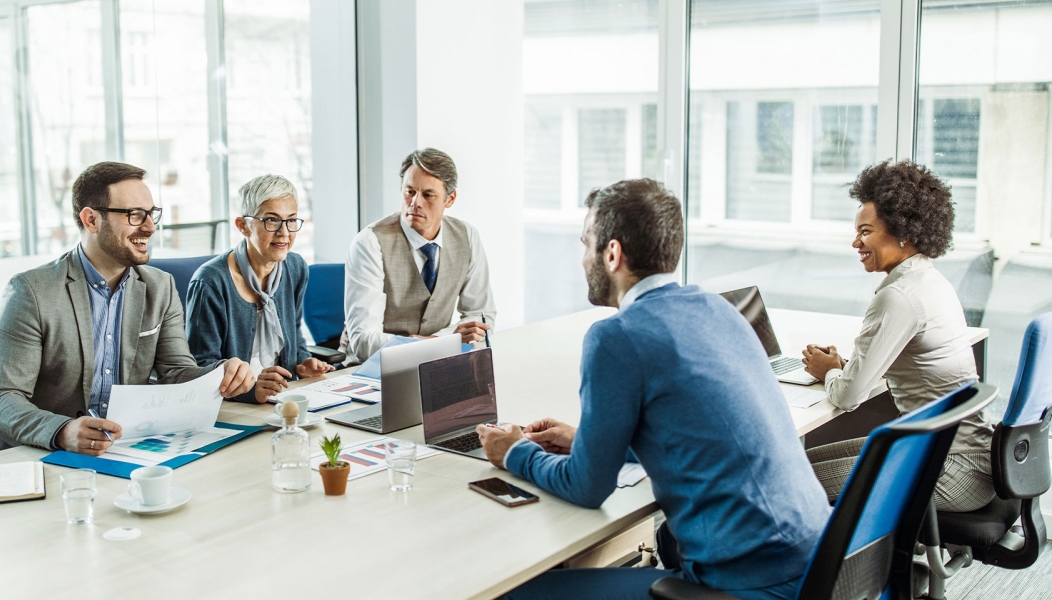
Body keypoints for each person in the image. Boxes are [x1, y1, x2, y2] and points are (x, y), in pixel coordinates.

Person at [476, 179, 830, 600]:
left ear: (612, 253)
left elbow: (587, 489)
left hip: (750, 581)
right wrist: (585, 440)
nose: (582, 257)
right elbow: (692, 430)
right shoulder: (718, 308)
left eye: (586, 243)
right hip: (820, 559)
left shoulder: (616, 336)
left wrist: (514, 452)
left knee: (514, 592)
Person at [0, 161, 257, 457]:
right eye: (135, 215)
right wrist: (61, 431)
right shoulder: (31, 292)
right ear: (91, 220)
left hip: (122, 447)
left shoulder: (159, 287)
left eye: (151, 214)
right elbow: (2, 399)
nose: (149, 227)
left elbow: (176, 372)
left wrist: (219, 373)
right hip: (35, 453)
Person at [801, 160, 994, 512]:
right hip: (961, 455)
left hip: (951, 469)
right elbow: (909, 364)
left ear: (902, 231)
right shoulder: (928, 279)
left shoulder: (899, 296)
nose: (855, 242)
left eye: (865, 231)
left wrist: (827, 372)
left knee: (789, 480)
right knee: (798, 464)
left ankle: (828, 566)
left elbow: (847, 397)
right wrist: (843, 364)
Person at [186, 174, 334, 404]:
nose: (284, 232)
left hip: (283, 397)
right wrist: (251, 390)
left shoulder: (295, 267)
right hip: (231, 407)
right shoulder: (210, 282)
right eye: (271, 220)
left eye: (291, 220)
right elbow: (198, 368)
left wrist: (303, 362)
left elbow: (294, 334)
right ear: (243, 226)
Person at [342, 148, 496, 364]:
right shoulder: (369, 242)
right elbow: (363, 342)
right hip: (372, 370)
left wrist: (437, 342)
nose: (415, 202)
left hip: (436, 367)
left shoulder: (467, 236)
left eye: (428, 195)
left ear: (450, 199)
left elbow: (481, 316)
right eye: (409, 191)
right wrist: (443, 342)